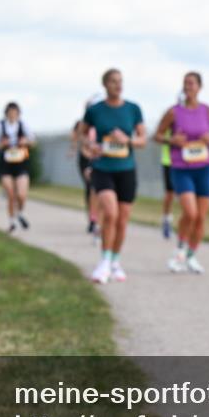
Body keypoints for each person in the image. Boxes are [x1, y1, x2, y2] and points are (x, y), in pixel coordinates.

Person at [154, 71, 209, 274]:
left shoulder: (208, 111)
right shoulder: (173, 112)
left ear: (199, 87)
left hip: (204, 168)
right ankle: (179, 250)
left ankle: (191, 255)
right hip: (181, 168)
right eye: (185, 83)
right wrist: (171, 140)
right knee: (190, 212)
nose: (188, 87)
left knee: (201, 218)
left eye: (192, 83)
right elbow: (157, 135)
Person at [81, 69, 146, 284]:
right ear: (105, 85)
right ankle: (104, 261)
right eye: (113, 82)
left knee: (123, 219)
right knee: (110, 213)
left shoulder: (133, 109)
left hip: (126, 169)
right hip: (103, 168)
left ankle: (116, 261)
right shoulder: (96, 110)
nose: (118, 85)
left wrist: (127, 139)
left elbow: (142, 140)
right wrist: (91, 146)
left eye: (120, 81)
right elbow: (82, 135)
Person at [0, 102, 35, 233]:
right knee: (11, 194)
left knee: (21, 195)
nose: (13, 115)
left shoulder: (23, 125)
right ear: (6, 114)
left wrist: (25, 141)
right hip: (6, 164)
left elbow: (33, 141)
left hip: (21, 163)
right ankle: (12, 221)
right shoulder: (0, 126)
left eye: (15, 113)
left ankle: (19, 213)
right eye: (10, 113)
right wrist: (1, 144)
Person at [72, 95, 103, 240]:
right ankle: (93, 218)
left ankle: (99, 219)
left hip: (102, 159)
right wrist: (88, 153)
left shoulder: (104, 123)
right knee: (91, 187)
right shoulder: (84, 124)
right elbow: (79, 139)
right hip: (87, 159)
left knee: (101, 190)